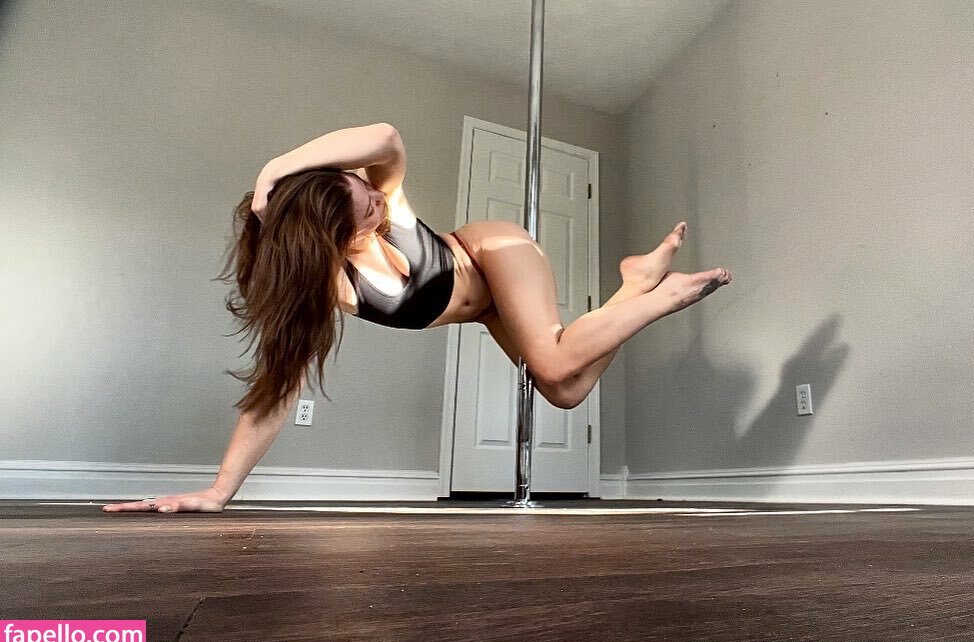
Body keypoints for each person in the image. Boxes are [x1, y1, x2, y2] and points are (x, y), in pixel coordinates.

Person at [103, 122, 731, 514]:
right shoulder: (330, 289)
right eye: (367, 208)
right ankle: (636, 284)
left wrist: (275, 170)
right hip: (486, 308)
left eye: (370, 190)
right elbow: (275, 391)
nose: (380, 202)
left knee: (553, 358)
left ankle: (665, 297)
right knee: (565, 390)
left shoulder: (390, 206)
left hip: (495, 252)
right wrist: (218, 492)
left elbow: (385, 137)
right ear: (335, 240)